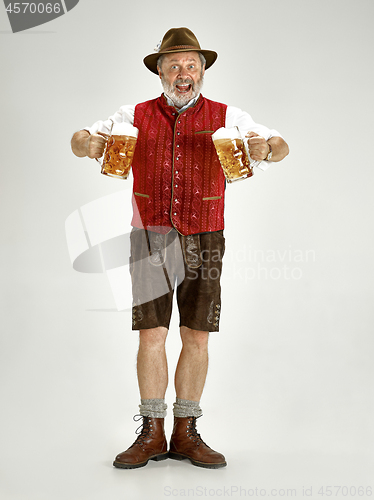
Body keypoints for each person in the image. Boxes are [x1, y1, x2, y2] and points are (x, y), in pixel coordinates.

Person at [71, 27, 289, 470]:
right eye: (174, 65)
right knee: (152, 334)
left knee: (197, 334)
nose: (182, 73)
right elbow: (81, 139)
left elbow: (280, 146)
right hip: (149, 234)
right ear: (160, 73)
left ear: (202, 71)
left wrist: (266, 147)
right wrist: (86, 143)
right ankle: (152, 432)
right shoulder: (132, 115)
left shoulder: (230, 116)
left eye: (191, 65)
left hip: (205, 233)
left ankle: (185, 432)